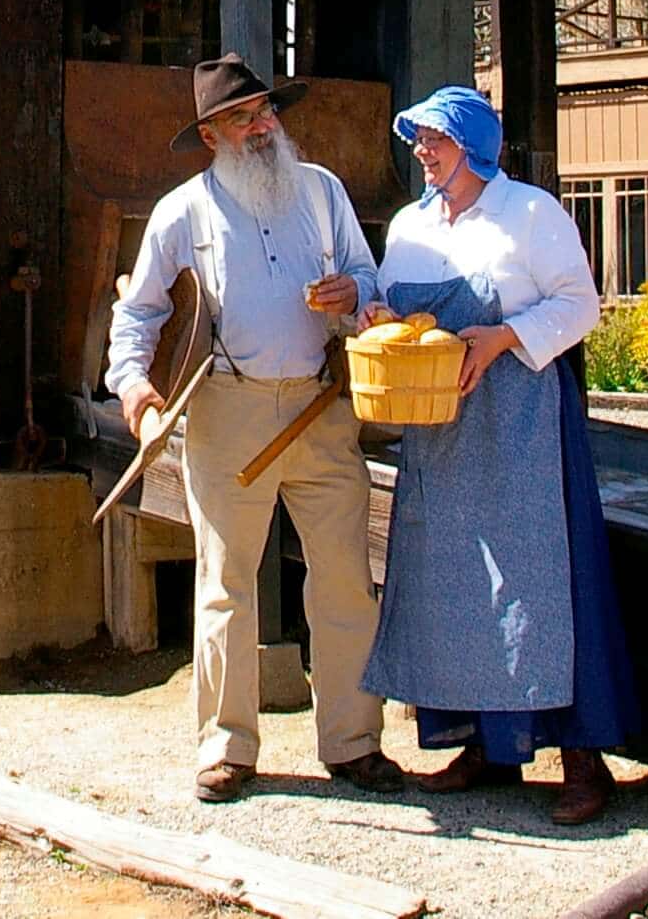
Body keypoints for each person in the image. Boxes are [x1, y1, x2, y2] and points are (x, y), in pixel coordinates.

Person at [106, 53, 403, 804]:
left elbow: (373, 286)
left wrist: (355, 295)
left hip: (321, 404)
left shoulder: (323, 189)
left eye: (268, 109)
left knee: (345, 579)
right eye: (243, 117)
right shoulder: (182, 212)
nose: (264, 125)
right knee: (226, 584)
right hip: (225, 411)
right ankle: (227, 748)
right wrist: (138, 394)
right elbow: (138, 311)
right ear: (211, 134)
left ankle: (353, 740)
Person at [360, 85, 639, 825]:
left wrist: (505, 337)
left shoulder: (530, 214)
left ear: (475, 147)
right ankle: (486, 745)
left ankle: (583, 760)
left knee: (543, 585)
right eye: (418, 139)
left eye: (436, 141)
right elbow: (395, 306)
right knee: (455, 587)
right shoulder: (411, 226)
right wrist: (379, 315)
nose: (422, 152)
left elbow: (582, 306)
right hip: (442, 433)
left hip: (522, 433)